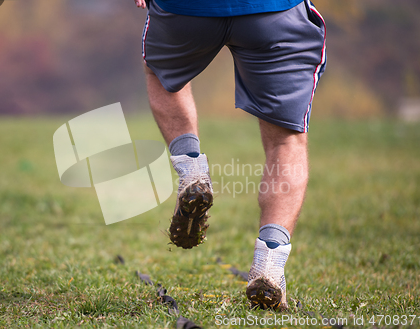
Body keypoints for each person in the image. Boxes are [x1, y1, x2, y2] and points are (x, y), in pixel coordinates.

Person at [134, 0, 326, 310]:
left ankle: (192, 170)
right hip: (274, 12)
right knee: (285, 142)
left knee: (161, 75)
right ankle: (269, 265)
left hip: (186, 10)